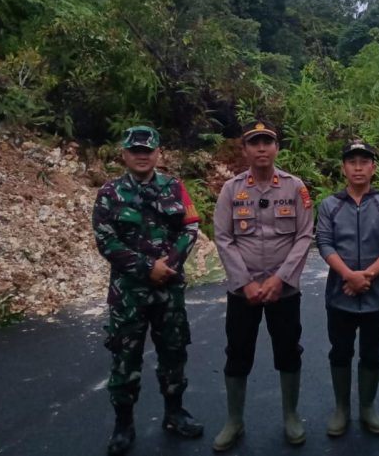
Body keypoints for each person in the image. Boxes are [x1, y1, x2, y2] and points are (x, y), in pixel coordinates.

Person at [92, 126, 204, 456]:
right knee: (125, 358)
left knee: (174, 352)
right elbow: (105, 239)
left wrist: (168, 263)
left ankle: (174, 413)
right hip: (128, 292)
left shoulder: (175, 187)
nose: (142, 155)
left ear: (158, 153)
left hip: (168, 289)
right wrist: (146, 268)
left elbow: (191, 225)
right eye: (135, 150)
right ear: (124, 154)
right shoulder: (110, 192)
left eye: (148, 150)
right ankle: (123, 425)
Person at [212, 120, 314, 452]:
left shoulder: (295, 187)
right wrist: (244, 282)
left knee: (288, 351)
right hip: (244, 293)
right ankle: (234, 421)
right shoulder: (231, 190)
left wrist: (279, 279)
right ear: (244, 150)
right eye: (254, 143)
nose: (261, 148)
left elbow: (304, 236)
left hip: (283, 291)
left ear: (276, 148)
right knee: (238, 353)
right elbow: (224, 238)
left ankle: (291, 416)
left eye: (267, 142)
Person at [315, 139, 379, 437]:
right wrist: (348, 276)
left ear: (373, 168)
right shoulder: (330, 205)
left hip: (376, 296)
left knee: (372, 351)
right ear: (343, 168)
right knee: (340, 351)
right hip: (339, 295)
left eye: (364, 162)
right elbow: (324, 244)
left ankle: (368, 407)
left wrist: (366, 276)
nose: (358, 167)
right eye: (352, 162)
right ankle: (342, 408)